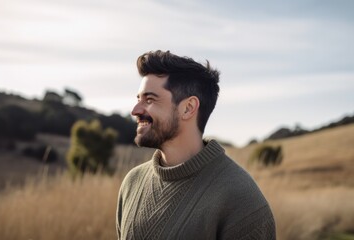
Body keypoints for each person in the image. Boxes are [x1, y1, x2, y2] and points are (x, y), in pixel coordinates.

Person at [116, 50, 276, 240]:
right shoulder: (132, 183)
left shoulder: (241, 199)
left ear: (188, 108)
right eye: (138, 99)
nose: (135, 110)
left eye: (149, 99)